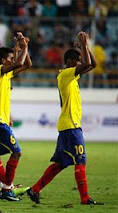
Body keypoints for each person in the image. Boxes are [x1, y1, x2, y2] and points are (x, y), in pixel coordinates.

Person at [26, 31, 104, 205]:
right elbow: (87, 64)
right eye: (77, 61)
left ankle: (34, 189)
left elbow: (93, 64)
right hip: (71, 126)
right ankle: (85, 199)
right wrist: (84, 45)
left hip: (69, 125)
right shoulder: (65, 74)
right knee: (80, 160)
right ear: (70, 62)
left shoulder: (72, 77)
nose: (80, 64)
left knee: (60, 163)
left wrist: (85, 48)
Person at [0, 32, 31, 201]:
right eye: (10, 58)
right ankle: (7, 190)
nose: (13, 61)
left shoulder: (6, 74)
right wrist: (22, 47)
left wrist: (25, 48)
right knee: (16, 152)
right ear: (4, 61)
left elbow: (27, 64)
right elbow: (19, 62)